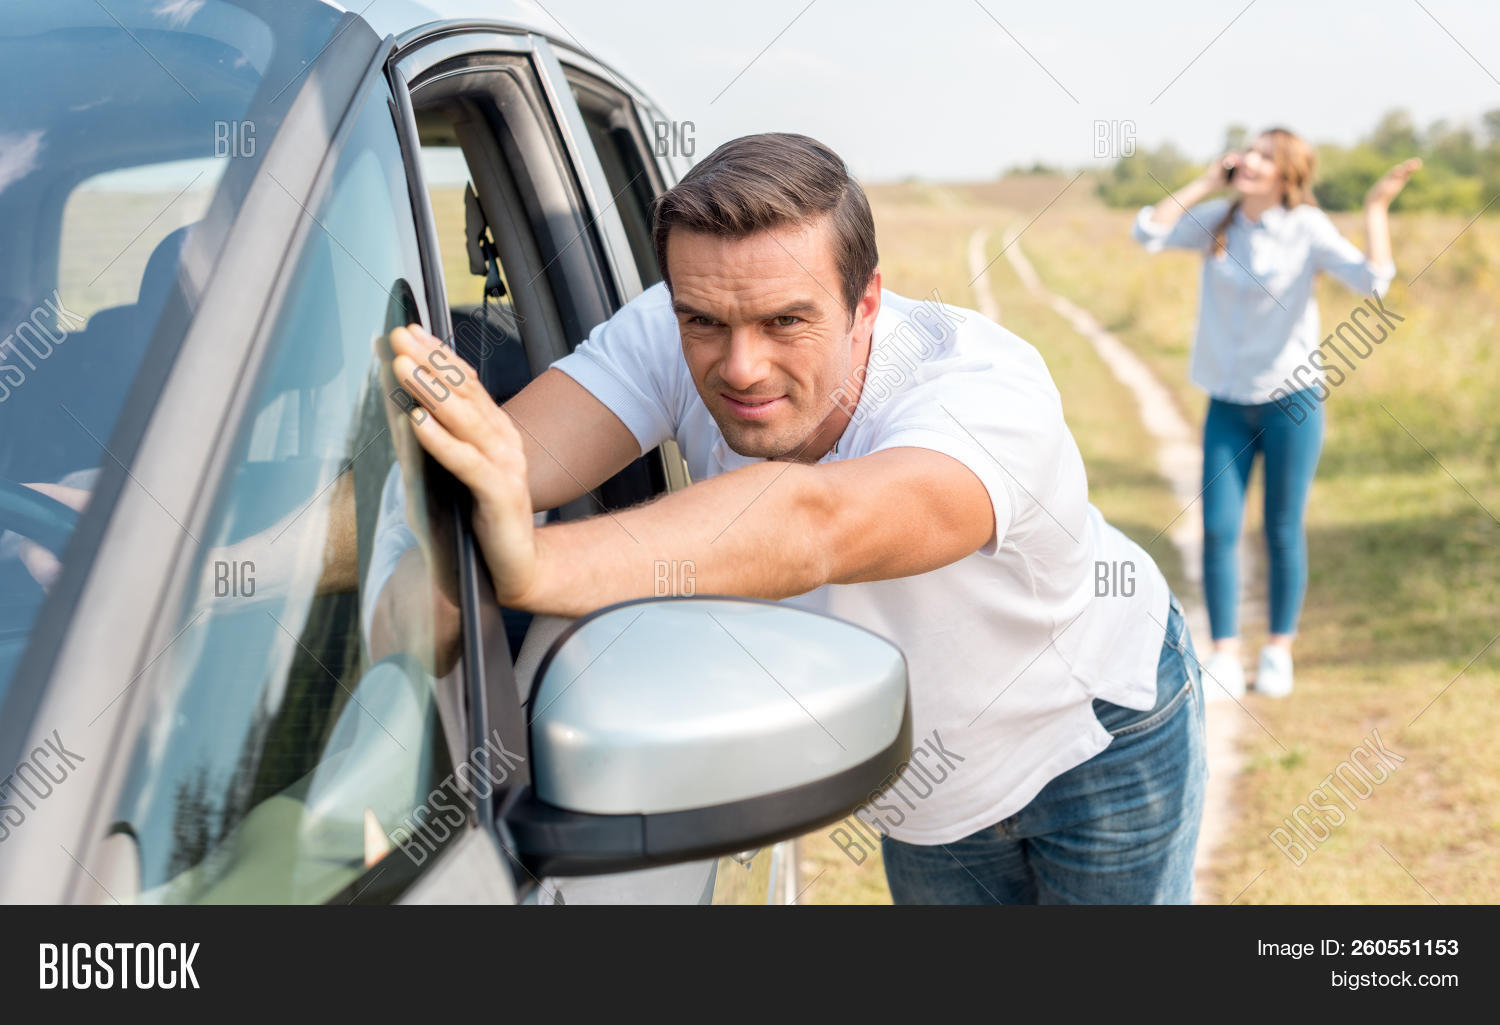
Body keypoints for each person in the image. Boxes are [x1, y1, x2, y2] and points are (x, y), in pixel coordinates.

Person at [389, 132, 1206, 904]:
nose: (741, 367)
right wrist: (316, 540)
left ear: (866, 303)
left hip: (1093, 738)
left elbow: (816, 522)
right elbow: (485, 470)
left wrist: (534, 565)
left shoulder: (984, 392)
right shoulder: (673, 326)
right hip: (921, 781)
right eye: (703, 321)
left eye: (786, 321)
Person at [1132, 128, 1419, 698]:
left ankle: (1277, 651)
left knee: (1281, 529)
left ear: (1287, 174)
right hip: (1227, 402)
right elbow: (1148, 233)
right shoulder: (1217, 220)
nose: (1250, 160)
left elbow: (1373, 282)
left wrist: (1376, 207)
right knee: (1218, 529)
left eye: (1265, 156)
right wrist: (1207, 181)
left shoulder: (1306, 226)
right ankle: (1224, 652)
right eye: (1249, 152)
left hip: (1293, 402)